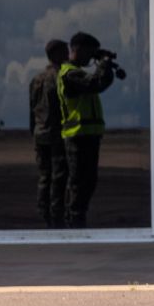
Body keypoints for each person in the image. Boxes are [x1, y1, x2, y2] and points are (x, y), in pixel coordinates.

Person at [58, 31, 118, 229]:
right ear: (77, 50)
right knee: (79, 182)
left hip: (88, 136)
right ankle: (74, 221)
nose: (90, 58)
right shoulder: (69, 73)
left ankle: (77, 217)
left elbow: (99, 83)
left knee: (88, 182)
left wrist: (105, 65)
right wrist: (103, 64)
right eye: (89, 53)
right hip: (77, 137)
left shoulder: (78, 73)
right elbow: (95, 84)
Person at [29, 39, 69, 229]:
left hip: (40, 133)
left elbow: (32, 109)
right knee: (58, 177)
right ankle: (55, 215)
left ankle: (44, 212)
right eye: (65, 52)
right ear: (57, 55)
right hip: (56, 134)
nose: (68, 55)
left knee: (45, 176)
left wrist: (34, 132)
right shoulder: (60, 77)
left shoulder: (37, 79)